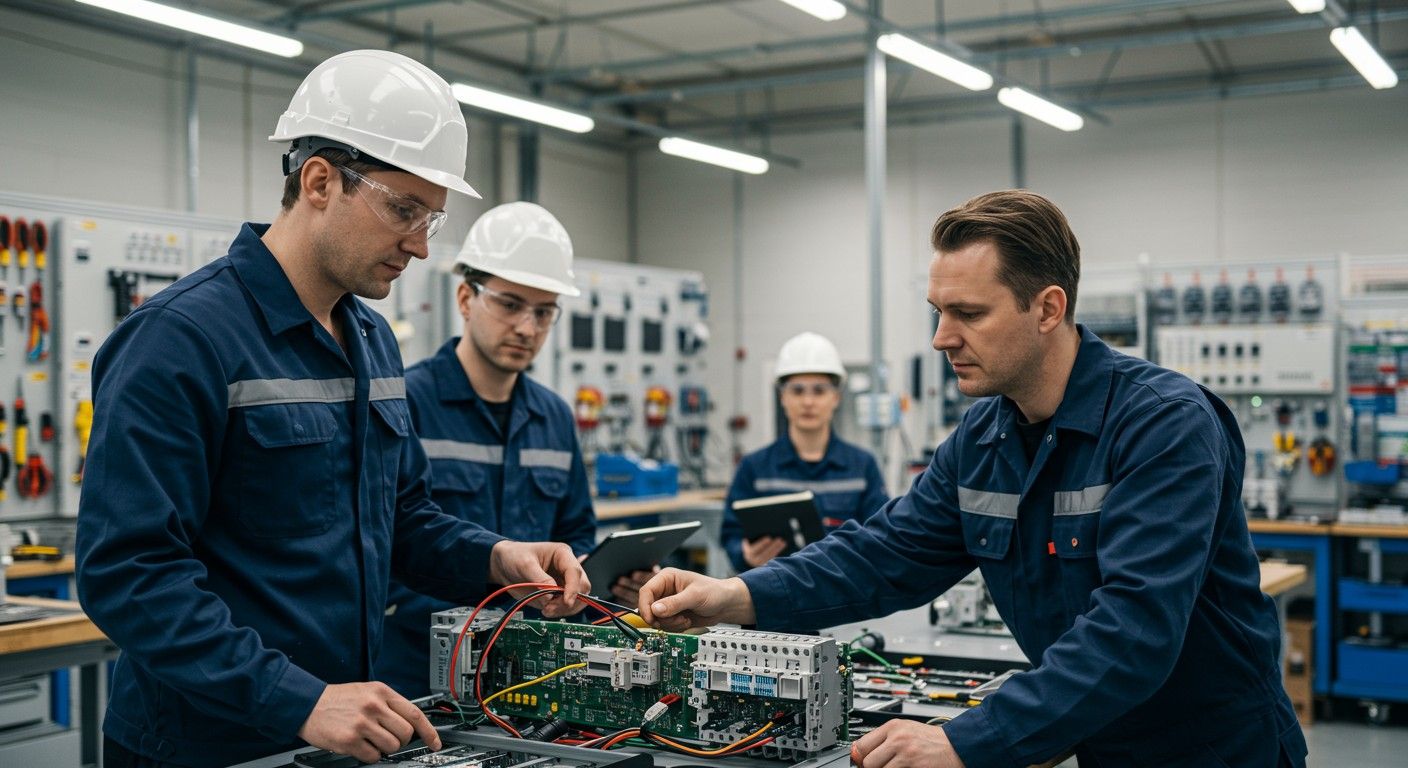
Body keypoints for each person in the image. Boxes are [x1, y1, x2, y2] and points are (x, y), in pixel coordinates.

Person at [640, 190, 1308, 768]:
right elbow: (887, 553)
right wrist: (735, 595)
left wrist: (966, 741)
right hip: (1102, 740)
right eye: (938, 310)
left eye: (970, 313)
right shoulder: (985, 435)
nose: (941, 337)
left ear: (1047, 309)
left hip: (1218, 749)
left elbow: (1134, 630)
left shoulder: (1163, 424)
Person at [75, 50, 587, 768]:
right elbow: (129, 573)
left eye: (432, 218)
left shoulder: (372, 340)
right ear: (319, 181)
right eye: (403, 209)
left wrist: (496, 557)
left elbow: (400, 518)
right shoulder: (180, 339)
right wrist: (299, 700)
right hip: (206, 746)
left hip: (343, 735)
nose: (419, 244)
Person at [379, 202, 613, 697]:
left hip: (532, 672)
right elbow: (391, 536)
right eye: (510, 304)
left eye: (544, 312)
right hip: (419, 673)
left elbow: (576, 532)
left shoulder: (554, 416)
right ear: (466, 298)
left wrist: (595, 577)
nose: (528, 327)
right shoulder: (405, 401)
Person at [720, 332, 888, 572]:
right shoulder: (754, 469)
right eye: (797, 391)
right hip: (772, 591)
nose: (808, 402)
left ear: (836, 397)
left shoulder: (862, 467)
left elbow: (881, 536)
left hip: (843, 591)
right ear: (783, 397)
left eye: (819, 391)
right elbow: (731, 535)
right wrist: (745, 554)